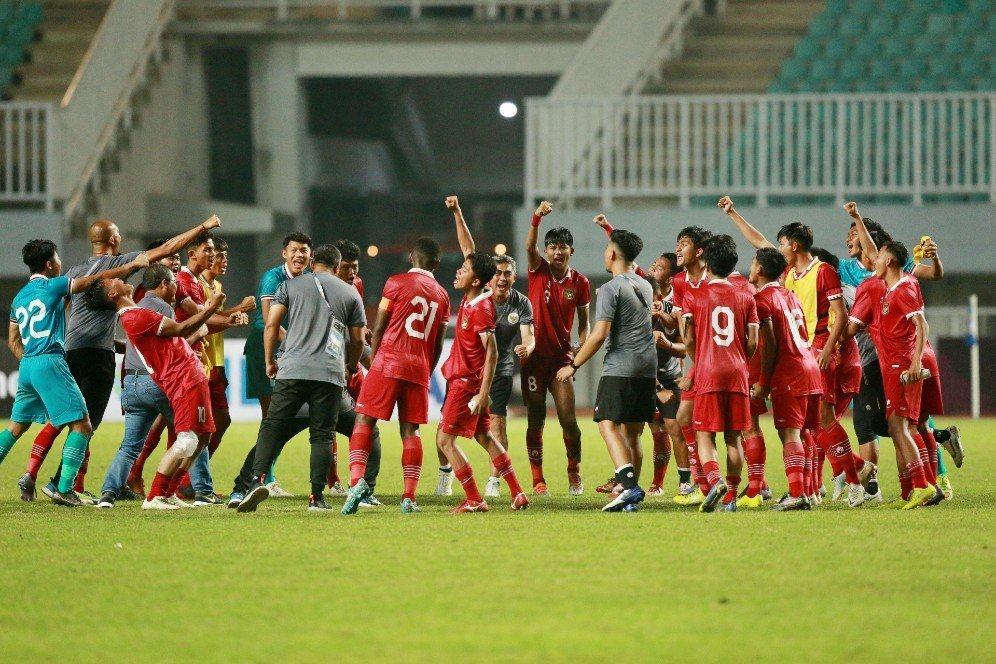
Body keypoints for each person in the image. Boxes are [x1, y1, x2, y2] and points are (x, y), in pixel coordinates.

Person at [23, 216, 219, 503]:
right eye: (118, 235)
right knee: (87, 424)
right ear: (113, 240)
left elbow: (62, 305)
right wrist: (203, 227)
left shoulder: (78, 270)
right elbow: (164, 251)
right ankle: (63, 485)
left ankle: (42, 476)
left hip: (71, 349)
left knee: (65, 418)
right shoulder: (116, 266)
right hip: (96, 357)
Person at [720, 197, 868, 505]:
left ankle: (854, 477)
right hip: (806, 353)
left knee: (818, 424)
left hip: (817, 354)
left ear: (795, 246)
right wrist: (734, 213)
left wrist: (828, 349)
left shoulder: (823, 271)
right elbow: (759, 243)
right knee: (810, 430)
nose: (779, 248)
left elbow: (839, 314)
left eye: (782, 244)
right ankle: (815, 488)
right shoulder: (787, 276)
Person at [3, 241, 148, 506]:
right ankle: (65, 488)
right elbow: (94, 279)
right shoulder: (53, 285)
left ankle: (48, 479)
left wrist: (33, 363)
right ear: (49, 264)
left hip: (27, 366)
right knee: (82, 424)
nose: (61, 264)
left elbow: (13, 342)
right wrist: (132, 265)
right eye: (57, 259)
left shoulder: (19, 297)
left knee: (14, 428)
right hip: (51, 361)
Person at [417, 196, 529, 514]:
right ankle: (518, 493)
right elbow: (470, 251)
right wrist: (457, 213)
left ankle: (474, 498)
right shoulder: (474, 293)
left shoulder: (480, 307)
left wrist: (481, 394)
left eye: (464, 270)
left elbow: (491, 354)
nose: (458, 271)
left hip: (467, 384)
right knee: (484, 436)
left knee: (444, 442)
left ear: (476, 280)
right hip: (468, 382)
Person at [95, 264, 240, 508]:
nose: (120, 279)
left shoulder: (136, 312)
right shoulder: (145, 312)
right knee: (188, 437)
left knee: (195, 436)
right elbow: (181, 332)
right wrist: (209, 311)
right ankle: (168, 493)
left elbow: (170, 341)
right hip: (172, 380)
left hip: (142, 380)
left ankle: (115, 493)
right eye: (114, 281)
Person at [237, 244, 366, 512]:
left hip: (292, 368)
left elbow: (271, 324)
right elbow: (357, 338)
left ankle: (256, 481)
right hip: (329, 373)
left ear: (311, 263)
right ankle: (316, 498)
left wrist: (270, 360)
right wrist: (351, 366)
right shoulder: (350, 292)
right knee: (322, 435)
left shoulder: (290, 287)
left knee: (272, 425)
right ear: (337, 265)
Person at [342, 237, 450, 514]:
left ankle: (356, 483)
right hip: (419, 368)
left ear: (411, 257)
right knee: (411, 431)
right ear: (436, 264)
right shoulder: (443, 296)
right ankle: (409, 498)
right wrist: (427, 367)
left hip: (388, 361)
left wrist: (375, 363)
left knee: (364, 419)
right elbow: (437, 342)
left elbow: (379, 328)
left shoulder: (395, 282)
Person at [557, 228, 655, 513]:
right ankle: (630, 496)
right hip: (647, 367)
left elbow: (599, 335)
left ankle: (628, 487)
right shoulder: (645, 285)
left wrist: (573, 364)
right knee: (633, 434)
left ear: (612, 253)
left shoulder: (612, 288)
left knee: (607, 424)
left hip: (621, 366)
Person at [846, 240, 937, 510]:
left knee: (899, 427)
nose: (872, 259)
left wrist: (915, 362)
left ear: (889, 261)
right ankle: (910, 490)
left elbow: (921, 325)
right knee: (901, 427)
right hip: (892, 366)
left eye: (878, 255)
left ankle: (922, 485)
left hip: (902, 366)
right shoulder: (889, 290)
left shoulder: (904, 288)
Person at [169, 232, 252, 502]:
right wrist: (237, 312)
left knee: (214, 423)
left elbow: (211, 318)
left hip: (213, 359)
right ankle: (183, 484)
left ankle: (189, 480)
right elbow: (207, 319)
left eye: (222, 255)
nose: (220, 259)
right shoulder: (194, 284)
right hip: (194, 362)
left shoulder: (213, 287)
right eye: (215, 254)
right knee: (192, 427)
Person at [681, 234, 759, 513]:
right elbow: (753, 341)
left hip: (708, 370)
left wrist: (700, 360)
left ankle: (714, 481)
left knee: (704, 434)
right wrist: (741, 361)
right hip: (738, 371)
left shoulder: (695, 295)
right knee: (734, 437)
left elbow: (688, 339)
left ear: (707, 265)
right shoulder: (746, 294)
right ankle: (732, 496)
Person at [747, 248, 824, 511]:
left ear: (759, 269)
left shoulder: (762, 300)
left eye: (753, 262)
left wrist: (764, 381)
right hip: (810, 367)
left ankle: (796, 493)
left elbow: (768, 344)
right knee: (804, 433)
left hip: (789, 372)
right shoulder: (790, 296)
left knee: (789, 434)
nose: (750, 266)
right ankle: (811, 491)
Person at [523, 201, 590, 496]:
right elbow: (528, 246)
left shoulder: (581, 282)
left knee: (569, 421)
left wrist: (579, 352)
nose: (556, 251)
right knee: (535, 420)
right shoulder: (538, 270)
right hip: (534, 361)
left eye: (562, 247)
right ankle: (538, 480)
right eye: (552, 247)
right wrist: (536, 217)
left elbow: (585, 324)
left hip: (562, 361)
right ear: (546, 251)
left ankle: (573, 470)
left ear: (571, 251)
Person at [243, 232, 313, 497]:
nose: (299, 255)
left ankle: (263, 476)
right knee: (272, 417)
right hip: (266, 350)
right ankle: (264, 479)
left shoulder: (309, 280)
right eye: (294, 250)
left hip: (293, 352)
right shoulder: (273, 278)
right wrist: (300, 344)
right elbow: (268, 320)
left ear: (310, 255)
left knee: (283, 418)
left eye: (304, 250)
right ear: (284, 253)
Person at [483, 254, 534, 499]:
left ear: (514, 276)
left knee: (497, 424)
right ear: (490, 277)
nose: (502, 278)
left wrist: (528, 347)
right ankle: (445, 472)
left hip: (500, 370)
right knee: (447, 425)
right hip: (472, 370)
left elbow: (529, 335)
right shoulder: (478, 298)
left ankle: (494, 479)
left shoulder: (521, 303)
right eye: (497, 273)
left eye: (507, 273)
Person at [670, 225, 712, 506]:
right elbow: (683, 329)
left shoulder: (721, 278)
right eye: (677, 243)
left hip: (720, 361)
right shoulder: (679, 282)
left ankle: (759, 485)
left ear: (699, 251)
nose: (678, 249)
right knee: (685, 419)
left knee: (739, 427)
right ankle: (701, 482)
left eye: (683, 243)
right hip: (699, 362)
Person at [646, 257, 687, 496]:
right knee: (638, 429)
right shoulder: (640, 298)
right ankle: (631, 480)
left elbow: (685, 345)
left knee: (674, 426)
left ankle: (685, 481)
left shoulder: (677, 305)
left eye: (658, 268)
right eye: (654, 266)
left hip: (669, 377)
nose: (651, 269)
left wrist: (669, 346)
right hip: (645, 378)